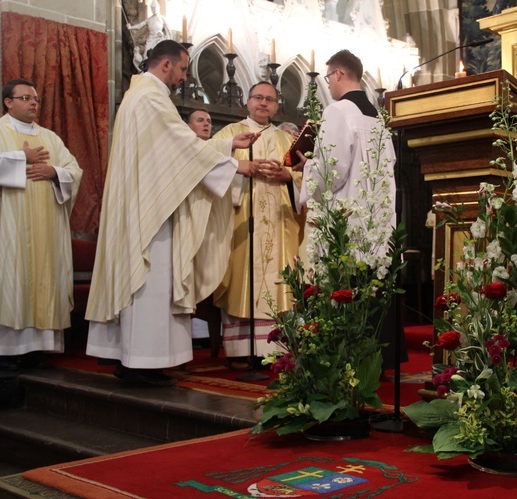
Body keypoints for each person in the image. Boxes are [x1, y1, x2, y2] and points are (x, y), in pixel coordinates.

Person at [85, 40, 256, 386]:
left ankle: (127, 359)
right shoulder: (150, 98)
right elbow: (179, 145)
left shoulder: (137, 96)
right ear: (166, 65)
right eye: (181, 69)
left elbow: (175, 143)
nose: (182, 77)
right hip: (152, 209)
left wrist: (225, 146)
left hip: (141, 199)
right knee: (151, 279)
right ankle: (142, 364)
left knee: (143, 283)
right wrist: (234, 165)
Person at [296, 49, 406, 370]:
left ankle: (349, 361)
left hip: (351, 222)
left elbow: (334, 169)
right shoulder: (377, 116)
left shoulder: (337, 111)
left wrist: (308, 168)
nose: (328, 85)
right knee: (374, 286)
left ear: (340, 74)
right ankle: (379, 360)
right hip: (379, 219)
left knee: (349, 286)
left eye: (328, 77)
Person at [0, 78, 83, 370]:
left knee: (45, 281)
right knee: (13, 281)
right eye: (26, 98)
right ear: (8, 102)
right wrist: (22, 157)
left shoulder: (50, 137)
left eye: (36, 99)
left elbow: (74, 170)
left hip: (47, 229)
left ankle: (37, 352)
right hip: (10, 227)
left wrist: (53, 171)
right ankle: (9, 352)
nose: (34, 103)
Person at [213, 82, 303, 370]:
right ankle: (241, 351)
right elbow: (208, 165)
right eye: (258, 98)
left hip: (280, 222)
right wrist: (242, 171)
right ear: (247, 101)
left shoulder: (286, 140)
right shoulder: (230, 134)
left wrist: (287, 176)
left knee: (279, 281)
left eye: (270, 100)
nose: (263, 103)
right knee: (241, 279)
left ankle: (275, 350)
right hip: (241, 219)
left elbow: (305, 175)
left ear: (277, 106)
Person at [127, 0, 172, 71]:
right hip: (151, 39)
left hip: (159, 39)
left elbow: (168, 31)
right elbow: (139, 26)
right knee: (146, 56)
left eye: (155, 8)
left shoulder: (162, 18)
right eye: (152, 8)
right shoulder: (149, 19)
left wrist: (166, 37)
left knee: (160, 56)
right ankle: (147, 70)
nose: (154, 10)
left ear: (158, 8)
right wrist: (130, 27)